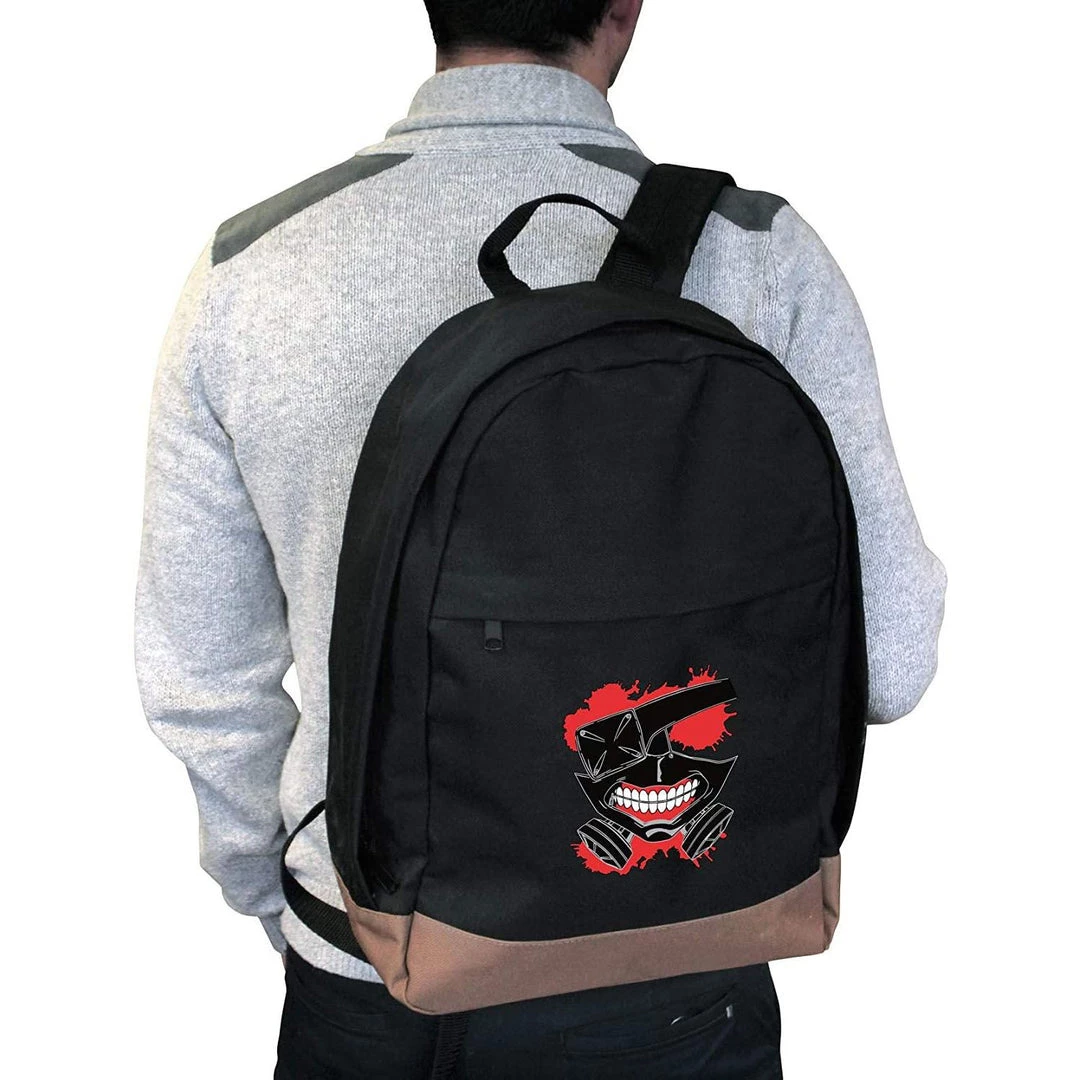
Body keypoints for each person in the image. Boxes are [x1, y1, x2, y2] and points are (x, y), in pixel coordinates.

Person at [135, 1, 947, 1075]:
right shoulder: (761, 256)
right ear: (625, 7)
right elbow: (891, 661)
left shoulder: (249, 269)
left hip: (372, 972)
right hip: (682, 963)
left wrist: (298, 905)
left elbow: (201, 687)